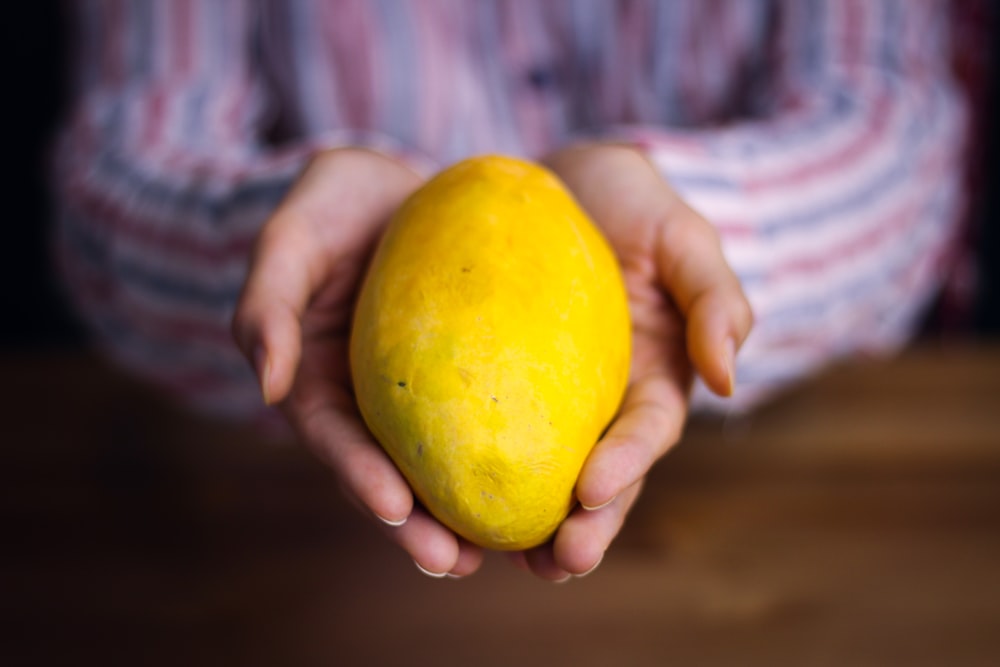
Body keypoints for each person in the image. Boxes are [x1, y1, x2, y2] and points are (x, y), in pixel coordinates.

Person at [52, 0, 969, 581]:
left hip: (772, 522)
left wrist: (690, 246)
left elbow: (899, 148)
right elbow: (118, 173)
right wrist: (279, 247)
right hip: (281, 551)